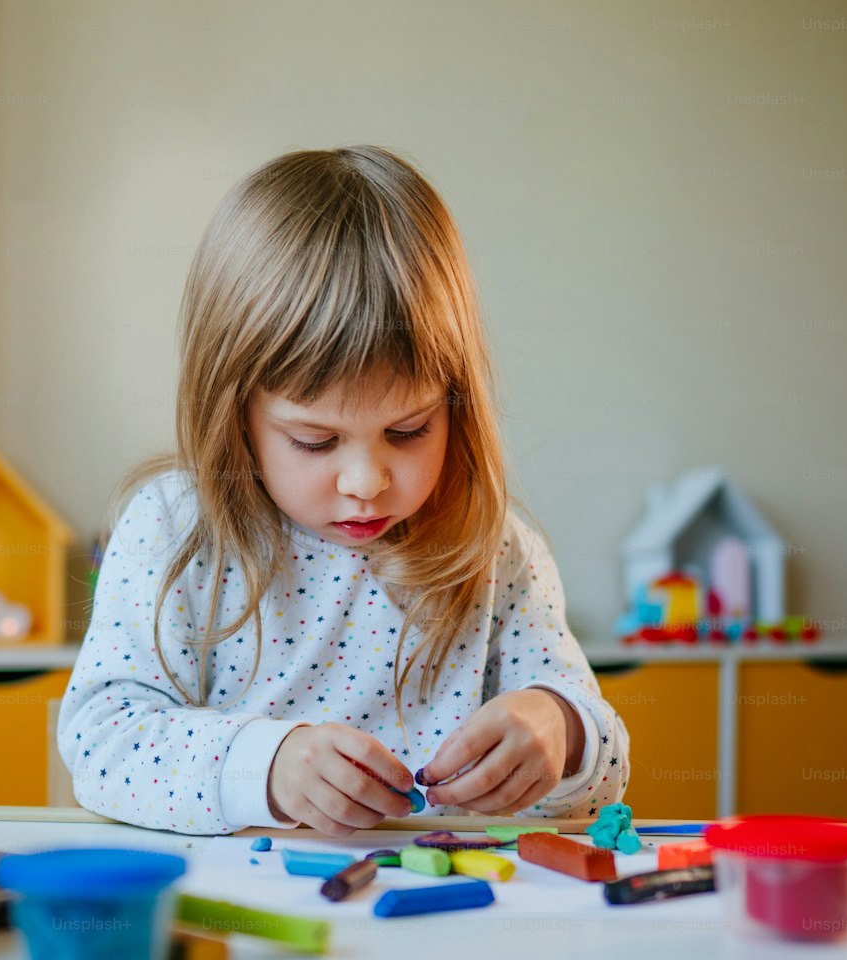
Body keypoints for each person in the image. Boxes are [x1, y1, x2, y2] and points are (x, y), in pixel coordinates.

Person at [58, 145, 630, 836]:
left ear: (455, 405)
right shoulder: (176, 532)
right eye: (315, 441)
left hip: (447, 920)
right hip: (243, 920)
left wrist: (561, 728)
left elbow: (601, 780)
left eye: (410, 430)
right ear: (233, 413)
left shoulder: (498, 552)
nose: (366, 483)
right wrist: (264, 767)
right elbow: (102, 744)